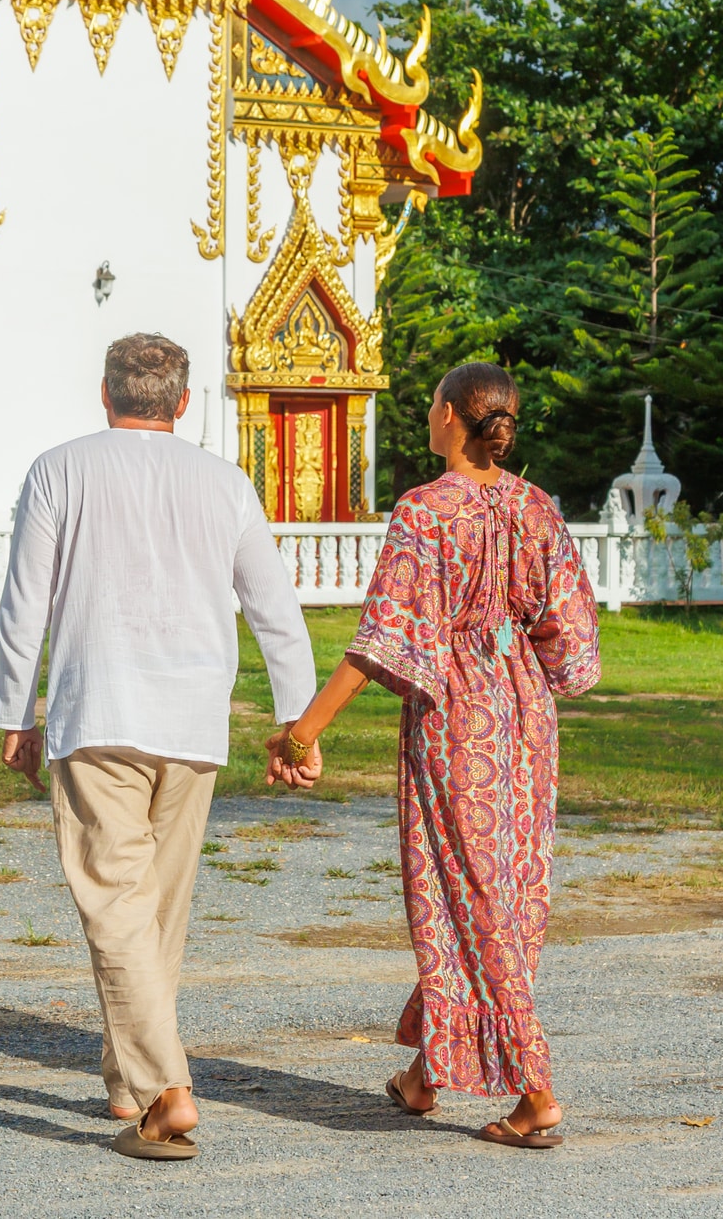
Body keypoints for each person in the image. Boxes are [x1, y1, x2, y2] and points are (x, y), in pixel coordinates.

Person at [0, 333, 317, 1162]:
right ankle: (129, 1081)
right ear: (182, 402)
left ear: (105, 395)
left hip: (101, 709)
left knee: (117, 906)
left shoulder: (62, 469)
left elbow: (25, 602)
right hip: (193, 718)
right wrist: (296, 720)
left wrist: (14, 713)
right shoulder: (224, 481)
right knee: (153, 914)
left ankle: (169, 1093)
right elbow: (275, 608)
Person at [264, 362, 600, 1148]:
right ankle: (425, 1075)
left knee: (471, 892)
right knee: (504, 886)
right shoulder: (537, 506)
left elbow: (387, 641)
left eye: (430, 409)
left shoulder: (423, 512)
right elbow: (575, 650)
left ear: (451, 416)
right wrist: (518, 659)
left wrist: (304, 730)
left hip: (457, 714)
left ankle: (536, 1093)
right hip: (525, 712)